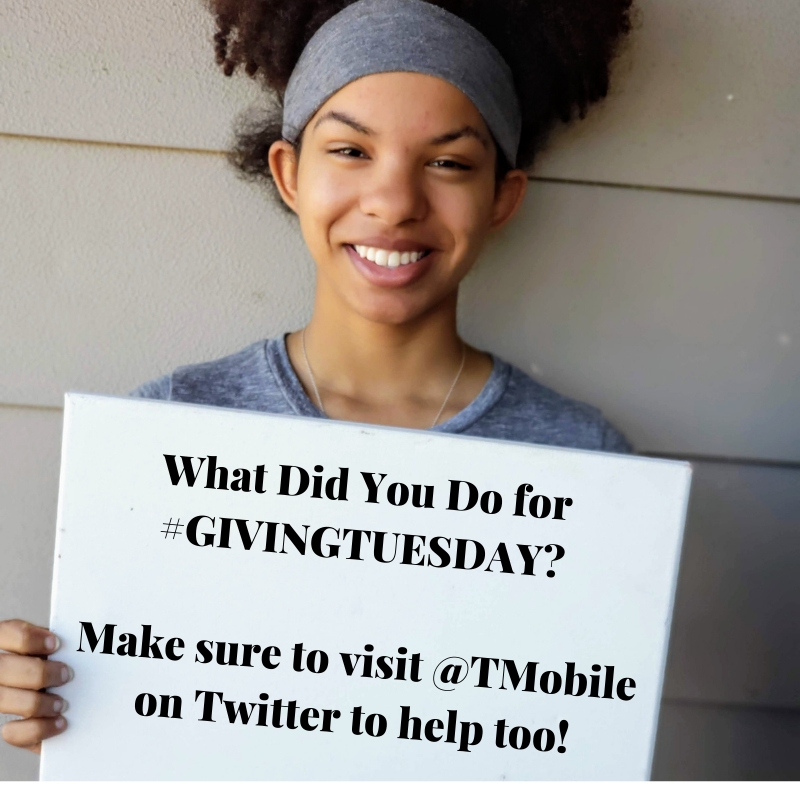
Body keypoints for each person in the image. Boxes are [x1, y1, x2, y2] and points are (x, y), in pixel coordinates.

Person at [1, 0, 633, 755]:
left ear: (501, 196)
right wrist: (58, 700)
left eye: (449, 162)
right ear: (289, 172)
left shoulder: (584, 464)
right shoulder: (171, 425)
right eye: (351, 151)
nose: (395, 203)